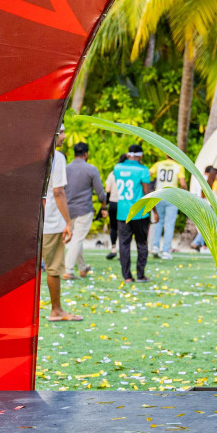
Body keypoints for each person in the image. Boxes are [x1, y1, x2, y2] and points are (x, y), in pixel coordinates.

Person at [41, 126, 79, 321]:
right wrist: (68, 223)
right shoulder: (57, 157)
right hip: (51, 221)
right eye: (61, 131)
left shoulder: (29, 153)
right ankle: (56, 310)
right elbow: (58, 192)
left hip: (31, 221)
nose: (64, 136)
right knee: (54, 268)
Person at [110, 144, 154, 283]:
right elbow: (147, 192)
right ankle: (140, 275)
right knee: (141, 243)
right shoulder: (143, 170)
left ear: (128, 154)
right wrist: (154, 210)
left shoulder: (118, 168)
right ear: (140, 155)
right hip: (139, 212)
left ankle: (127, 276)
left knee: (124, 244)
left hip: (122, 211)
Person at [64, 142, 107, 277]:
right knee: (77, 239)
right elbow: (100, 193)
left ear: (74, 154)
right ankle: (68, 270)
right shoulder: (91, 169)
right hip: (84, 209)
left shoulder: (65, 169)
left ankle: (82, 268)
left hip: (67, 209)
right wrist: (104, 206)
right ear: (86, 154)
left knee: (77, 238)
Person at [149, 155, 184, 259]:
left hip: (159, 195)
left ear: (166, 155)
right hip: (172, 196)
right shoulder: (178, 166)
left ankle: (155, 246)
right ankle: (166, 251)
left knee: (158, 221)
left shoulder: (158, 164)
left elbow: (148, 174)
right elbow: (182, 183)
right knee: (169, 224)